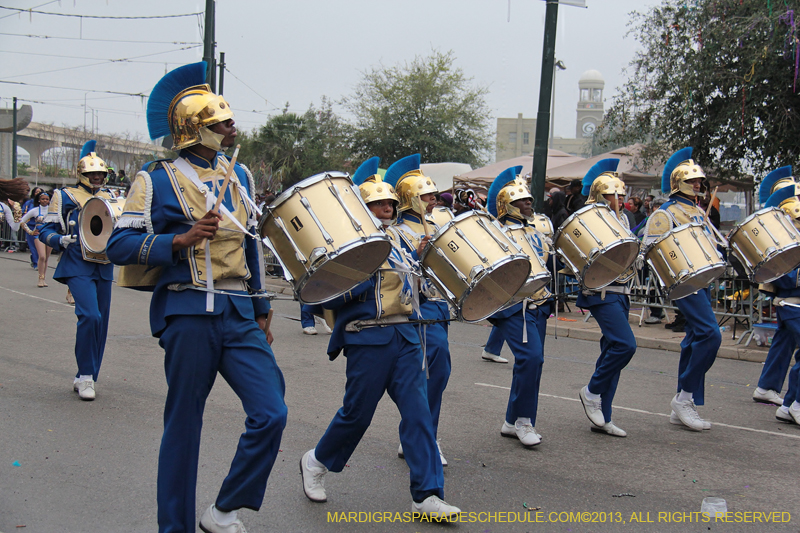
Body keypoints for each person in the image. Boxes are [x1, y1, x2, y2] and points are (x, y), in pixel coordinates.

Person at [107, 62, 287, 533]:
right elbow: (118, 245)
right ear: (195, 128)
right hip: (187, 310)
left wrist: (262, 306)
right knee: (184, 426)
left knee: (271, 412)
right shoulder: (155, 180)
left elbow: (248, 242)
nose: (231, 129)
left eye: (228, 122)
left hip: (238, 312)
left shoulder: (239, 176)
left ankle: (224, 508)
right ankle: (175, 527)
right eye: (220, 123)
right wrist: (180, 241)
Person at [299, 156, 460, 519]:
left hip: (405, 334)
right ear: (362, 206)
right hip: (366, 336)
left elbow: (416, 287)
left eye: (389, 203)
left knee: (419, 415)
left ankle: (427, 495)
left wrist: (422, 263)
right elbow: (325, 294)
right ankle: (316, 461)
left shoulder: (401, 238)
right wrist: (363, 273)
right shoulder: (346, 240)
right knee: (357, 415)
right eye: (377, 204)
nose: (386, 209)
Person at [644, 147, 722, 431]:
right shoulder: (666, 213)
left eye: (699, 181)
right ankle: (685, 396)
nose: (698, 185)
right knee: (710, 335)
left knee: (693, 339)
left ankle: (683, 401)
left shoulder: (697, 210)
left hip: (704, 278)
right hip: (684, 281)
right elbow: (649, 249)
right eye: (692, 181)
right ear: (678, 184)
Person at [383, 154, 451, 466]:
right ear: (410, 198)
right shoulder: (395, 231)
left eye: (433, 195)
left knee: (438, 372)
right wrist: (417, 252)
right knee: (429, 372)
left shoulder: (441, 225)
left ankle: (417, 432)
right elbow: (397, 268)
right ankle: (424, 437)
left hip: (439, 305)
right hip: (416, 309)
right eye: (426, 196)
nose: (433, 200)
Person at [39, 140, 116, 402]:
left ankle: (89, 375)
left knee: (102, 323)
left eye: (101, 174)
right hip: (77, 262)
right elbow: (45, 230)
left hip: (104, 264)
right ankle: (85, 376)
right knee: (90, 316)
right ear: (81, 174)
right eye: (92, 174)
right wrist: (58, 240)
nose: (97, 178)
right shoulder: (65, 196)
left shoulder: (110, 198)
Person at [484, 166, 553, 447]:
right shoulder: (496, 232)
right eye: (521, 200)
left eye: (529, 200)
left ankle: (513, 421)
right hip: (513, 305)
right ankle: (524, 421)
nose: (528, 204)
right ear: (506, 205)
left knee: (532, 365)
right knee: (531, 359)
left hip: (538, 303)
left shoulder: (535, 231)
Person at [575, 159, 637, 437]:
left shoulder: (622, 218)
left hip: (622, 290)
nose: (620, 200)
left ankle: (604, 415)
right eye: (614, 195)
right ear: (601, 194)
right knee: (626, 345)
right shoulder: (589, 217)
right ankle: (591, 391)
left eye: (622, 195)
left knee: (611, 350)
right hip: (601, 291)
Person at [752, 167, 798, 405]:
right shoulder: (778, 234)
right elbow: (782, 273)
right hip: (790, 298)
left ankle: (766, 386)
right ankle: (793, 404)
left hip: (791, 297)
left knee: (785, 340)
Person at [20, 190, 53, 287]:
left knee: (46, 257)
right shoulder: (34, 210)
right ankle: (40, 277)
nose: (44, 201)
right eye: (42, 199)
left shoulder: (52, 211)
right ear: (39, 200)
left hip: (49, 234)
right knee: (41, 256)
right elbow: (22, 221)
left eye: (47, 199)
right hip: (38, 234)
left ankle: (44, 278)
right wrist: (30, 231)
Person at [22, 186, 44, 269]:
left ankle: (39, 261)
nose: (38, 193)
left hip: (42, 228)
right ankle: (36, 263)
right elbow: (24, 214)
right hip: (31, 227)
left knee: (41, 248)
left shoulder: (46, 205)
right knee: (33, 246)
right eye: (36, 191)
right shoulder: (29, 203)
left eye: (40, 191)